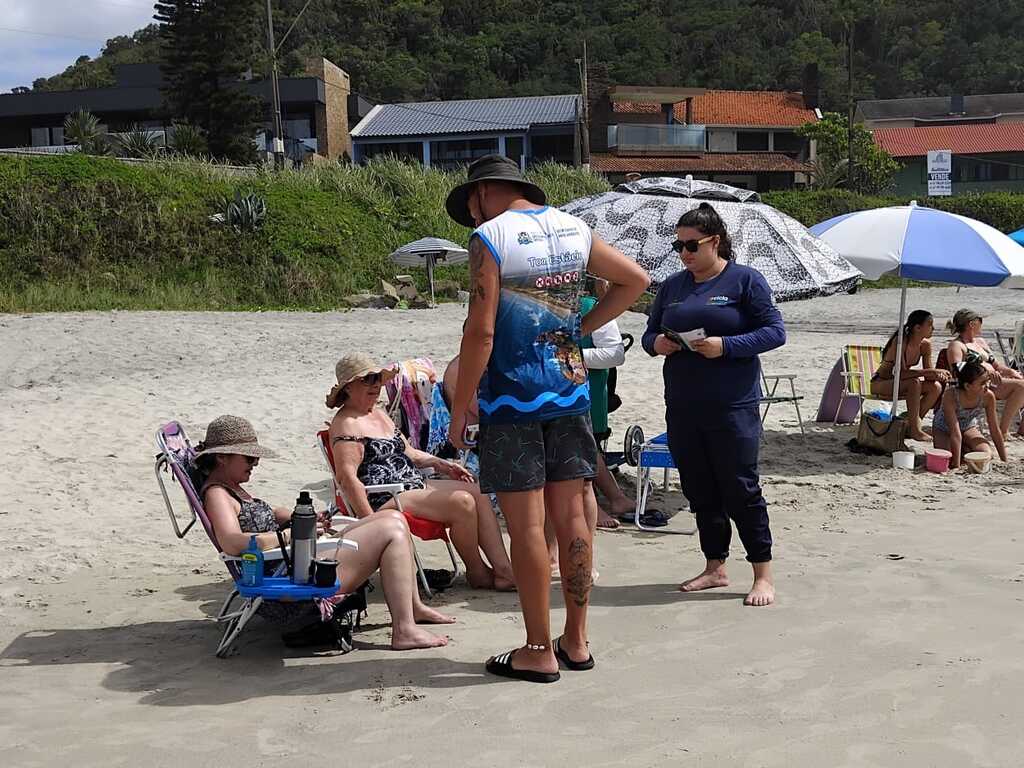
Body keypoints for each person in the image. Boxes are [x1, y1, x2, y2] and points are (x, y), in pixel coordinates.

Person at [445, 154, 649, 683]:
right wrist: (579, 328)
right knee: (575, 517)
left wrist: (462, 404)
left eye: (470, 203)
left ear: (483, 192)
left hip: (512, 401)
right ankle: (576, 642)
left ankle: (538, 648)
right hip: (569, 392)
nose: (471, 214)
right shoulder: (574, 228)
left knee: (526, 524)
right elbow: (634, 280)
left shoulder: (491, 237)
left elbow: (480, 332)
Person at [197, 414, 453, 651]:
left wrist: (300, 519)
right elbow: (231, 542)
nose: (255, 464)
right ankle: (405, 630)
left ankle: (414, 608)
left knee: (392, 517)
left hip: (291, 563)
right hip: (285, 582)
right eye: (249, 458)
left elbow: (267, 514)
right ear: (222, 457)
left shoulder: (232, 488)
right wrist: (288, 536)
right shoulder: (217, 494)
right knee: (390, 528)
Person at [642, 202, 783, 607]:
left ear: (715, 242)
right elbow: (649, 334)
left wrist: (727, 346)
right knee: (699, 488)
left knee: (740, 487)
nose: (684, 253)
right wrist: (659, 344)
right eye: (678, 246)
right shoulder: (673, 286)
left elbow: (775, 332)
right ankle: (714, 566)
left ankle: (762, 573)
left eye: (691, 245)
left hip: (732, 403)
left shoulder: (745, 281)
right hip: (684, 403)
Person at [326, 353, 515, 591]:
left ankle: (503, 569)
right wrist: (371, 522)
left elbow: (409, 452)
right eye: (368, 380)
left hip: (409, 486)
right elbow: (347, 478)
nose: (375, 385)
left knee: (477, 491)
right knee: (463, 502)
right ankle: (477, 571)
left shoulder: (377, 413)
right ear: (349, 388)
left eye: (377, 379)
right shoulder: (346, 424)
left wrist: (441, 464)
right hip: (384, 497)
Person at [869, 309, 950, 441]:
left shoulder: (925, 345)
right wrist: (930, 372)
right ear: (918, 328)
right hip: (881, 383)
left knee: (935, 387)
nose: (933, 328)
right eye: (930, 324)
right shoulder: (900, 342)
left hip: (900, 384)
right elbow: (899, 374)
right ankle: (915, 430)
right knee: (914, 382)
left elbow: (929, 376)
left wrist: (938, 375)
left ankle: (910, 423)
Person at [946, 309, 1024, 438]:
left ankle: (1022, 429)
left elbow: (997, 366)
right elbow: (957, 368)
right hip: (975, 384)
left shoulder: (980, 342)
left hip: (994, 380)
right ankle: (1002, 431)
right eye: (980, 321)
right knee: (1021, 387)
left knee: (1021, 382)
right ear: (972, 324)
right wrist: (985, 373)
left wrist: (1010, 371)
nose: (982, 324)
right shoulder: (957, 345)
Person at [933, 359, 1007, 469]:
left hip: (968, 426)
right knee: (946, 458)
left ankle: (965, 448)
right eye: (982, 383)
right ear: (967, 386)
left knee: (986, 454)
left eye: (987, 381)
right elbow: (955, 432)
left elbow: (994, 429)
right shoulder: (951, 396)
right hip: (943, 427)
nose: (987, 385)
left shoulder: (988, 396)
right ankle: (963, 450)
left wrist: (1004, 459)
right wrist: (956, 466)